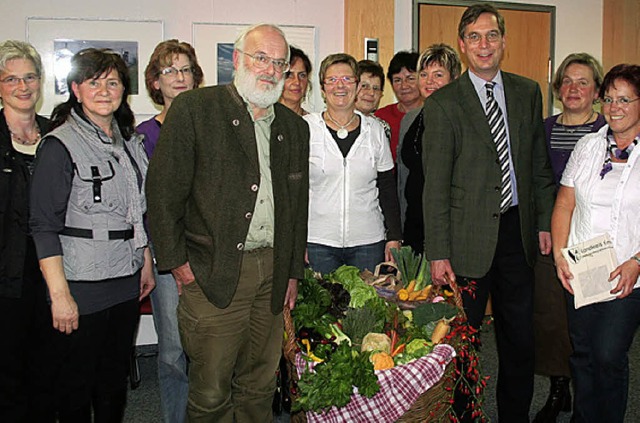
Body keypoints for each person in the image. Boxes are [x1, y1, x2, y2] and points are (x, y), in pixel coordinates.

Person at [145, 24, 309, 422]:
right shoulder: (196, 110)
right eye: (260, 58)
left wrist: (291, 274)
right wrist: (179, 266)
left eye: (279, 62)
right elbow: (162, 196)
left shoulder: (294, 128)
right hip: (212, 273)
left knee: (259, 383)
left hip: (272, 275)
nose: (270, 70)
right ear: (237, 60)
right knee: (211, 390)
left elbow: (296, 208)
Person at [422, 4, 555, 421]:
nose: (484, 45)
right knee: (464, 340)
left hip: (517, 234)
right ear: (463, 45)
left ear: (504, 42)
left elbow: (537, 166)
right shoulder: (444, 104)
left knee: (519, 339)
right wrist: (438, 252)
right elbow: (435, 186)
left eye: (492, 35)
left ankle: (514, 415)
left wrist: (543, 222)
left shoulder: (527, 91)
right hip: (466, 240)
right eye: (475, 37)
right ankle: (464, 415)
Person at [30, 48, 155, 422]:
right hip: (81, 286)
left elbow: (135, 212)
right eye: (94, 82)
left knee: (113, 384)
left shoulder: (129, 143)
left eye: (113, 82)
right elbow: (43, 226)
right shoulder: (59, 145)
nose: (104, 90)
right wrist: (60, 295)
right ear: (76, 90)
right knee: (75, 388)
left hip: (124, 281)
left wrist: (144, 261)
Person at [552, 63, 640, 423]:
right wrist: (560, 254)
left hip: (627, 273)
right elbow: (564, 203)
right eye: (608, 99)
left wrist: (638, 261)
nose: (614, 107)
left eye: (624, 100)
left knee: (608, 355)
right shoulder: (588, 146)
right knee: (583, 353)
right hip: (582, 268)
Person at [532, 53, 605, 423]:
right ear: (558, 88)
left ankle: (588, 393)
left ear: (597, 90)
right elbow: (536, 183)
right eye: (568, 81)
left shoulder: (612, 128)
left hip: (597, 241)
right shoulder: (543, 128)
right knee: (552, 318)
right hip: (552, 237)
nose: (574, 89)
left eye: (583, 82)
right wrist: (545, 225)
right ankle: (559, 389)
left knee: (592, 320)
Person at [137, 39, 203, 423]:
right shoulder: (144, 135)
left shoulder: (211, 127)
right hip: (167, 255)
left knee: (212, 348)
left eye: (185, 69)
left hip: (210, 253)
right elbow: (147, 203)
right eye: (169, 71)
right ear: (155, 82)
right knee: (173, 351)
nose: (179, 77)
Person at [305, 53, 401, 275]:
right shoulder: (306, 128)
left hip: (368, 243)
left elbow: (387, 187)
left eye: (347, 79)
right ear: (322, 87)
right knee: (321, 308)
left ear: (357, 85)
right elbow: (296, 191)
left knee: (368, 308)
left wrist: (394, 237)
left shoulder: (375, 130)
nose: (340, 86)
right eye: (332, 80)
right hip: (318, 241)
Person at [0, 39, 51, 423]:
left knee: (46, 368)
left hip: (52, 273)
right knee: (8, 373)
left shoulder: (57, 136)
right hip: (5, 277)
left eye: (30, 77)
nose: (23, 87)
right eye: (11, 79)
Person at [396, 44, 461, 254]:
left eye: (438, 74)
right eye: (423, 74)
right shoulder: (410, 119)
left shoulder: (465, 120)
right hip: (414, 223)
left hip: (451, 229)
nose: (429, 81)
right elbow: (403, 177)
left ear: (455, 78)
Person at [375, 50, 422, 162]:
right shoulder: (380, 118)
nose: (404, 85)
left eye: (410, 78)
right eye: (397, 80)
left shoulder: (433, 114)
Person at [355, 59, 390, 140]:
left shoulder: (383, 128)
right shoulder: (339, 125)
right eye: (364, 86)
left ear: (381, 94)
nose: (371, 93)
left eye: (376, 88)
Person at [278, 45, 311, 116]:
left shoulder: (312, 124)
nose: (297, 82)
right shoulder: (264, 122)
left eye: (302, 75)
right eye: (289, 75)